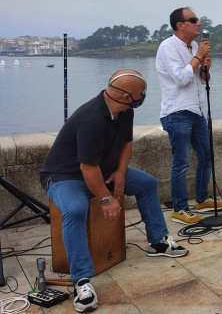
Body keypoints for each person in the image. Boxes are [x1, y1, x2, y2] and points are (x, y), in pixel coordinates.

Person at [39, 70, 188, 313]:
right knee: (76, 210)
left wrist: (120, 172)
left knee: (147, 183)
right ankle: (81, 281)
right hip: (64, 176)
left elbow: (126, 143)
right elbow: (87, 167)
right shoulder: (91, 118)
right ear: (127, 96)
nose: (143, 98)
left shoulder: (125, 111)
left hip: (103, 169)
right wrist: (106, 199)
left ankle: (158, 242)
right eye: (141, 94)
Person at [156, 7, 222, 224]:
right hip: (177, 112)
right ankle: (179, 208)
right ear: (180, 24)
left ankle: (202, 198)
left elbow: (201, 80)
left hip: (196, 110)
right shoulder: (168, 47)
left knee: (207, 156)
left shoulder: (194, 46)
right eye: (194, 20)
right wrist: (198, 56)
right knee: (182, 162)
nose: (199, 23)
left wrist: (205, 67)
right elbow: (180, 78)